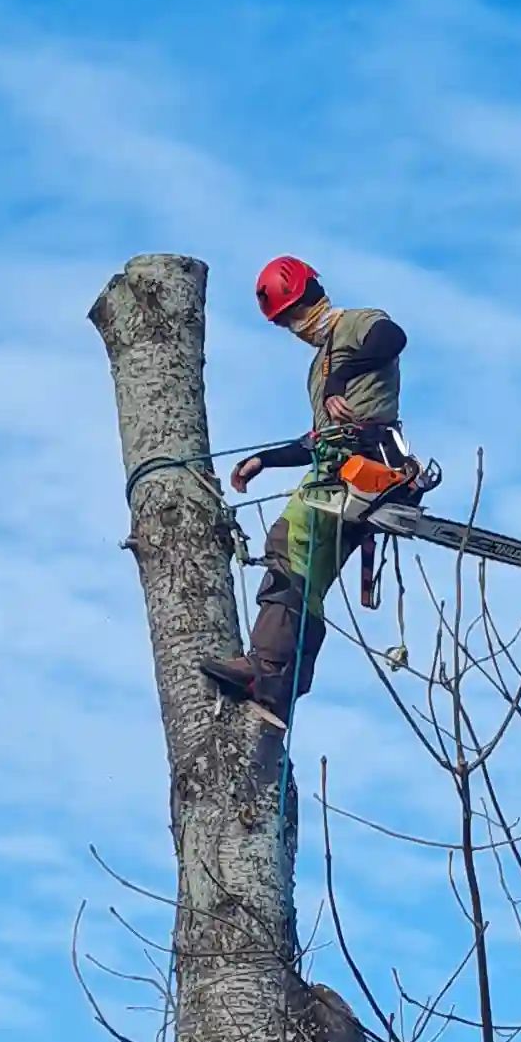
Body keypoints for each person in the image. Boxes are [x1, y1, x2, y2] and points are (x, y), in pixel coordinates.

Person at [199, 255, 409, 728]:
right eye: (286, 323)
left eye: (292, 317)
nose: (294, 328)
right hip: (337, 466)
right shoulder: (318, 368)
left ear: (306, 301)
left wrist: (343, 373)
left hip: (364, 465)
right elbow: (318, 439)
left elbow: (392, 338)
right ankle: (282, 689)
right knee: (306, 581)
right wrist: (266, 459)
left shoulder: (356, 326)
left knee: (285, 544)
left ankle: (266, 667)